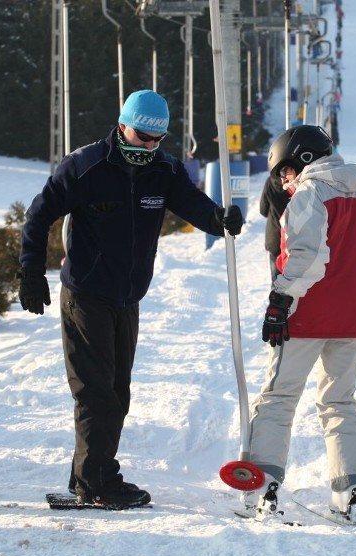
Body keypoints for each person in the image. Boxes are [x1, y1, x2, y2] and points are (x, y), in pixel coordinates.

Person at [18, 89, 243, 509]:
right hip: (86, 294)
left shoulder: (164, 169)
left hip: (127, 296)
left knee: (117, 393)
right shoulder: (86, 166)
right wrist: (31, 271)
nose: (149, 147)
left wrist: (218, 218)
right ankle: (97, 484)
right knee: (95, 393)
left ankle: (87, 472)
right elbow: (39, 213)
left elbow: (192, 203)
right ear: (123, 124)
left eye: (157, 140)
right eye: (142, 137)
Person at [241, 125, 356, 521]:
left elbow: (308, 256)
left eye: (284, 170)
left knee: (278, 398)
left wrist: (280, 300)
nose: (283, 180)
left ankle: (263, 488)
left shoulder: (310, 195)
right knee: (339, 403)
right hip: (354, 319)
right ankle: (350, 494)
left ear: (304, 159)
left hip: (306, 315)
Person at [259, 175, 291, 282]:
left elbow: (263, 210)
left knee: (277, 281)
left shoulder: (270, 181)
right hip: (294, 239)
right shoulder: (297, 182)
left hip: (275, 239)